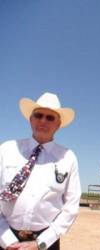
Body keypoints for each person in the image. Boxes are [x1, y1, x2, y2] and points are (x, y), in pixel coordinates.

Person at [0, 92, 81, 250]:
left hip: (45, 243)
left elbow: (71, 206)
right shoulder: (7, 150)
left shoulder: (68, 158)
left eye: (50, 118)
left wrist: (40, 244)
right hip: (4, 239)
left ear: (58, 124)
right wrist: (7, 240)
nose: (43, 121)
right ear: (30, 119)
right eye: (38, 115)